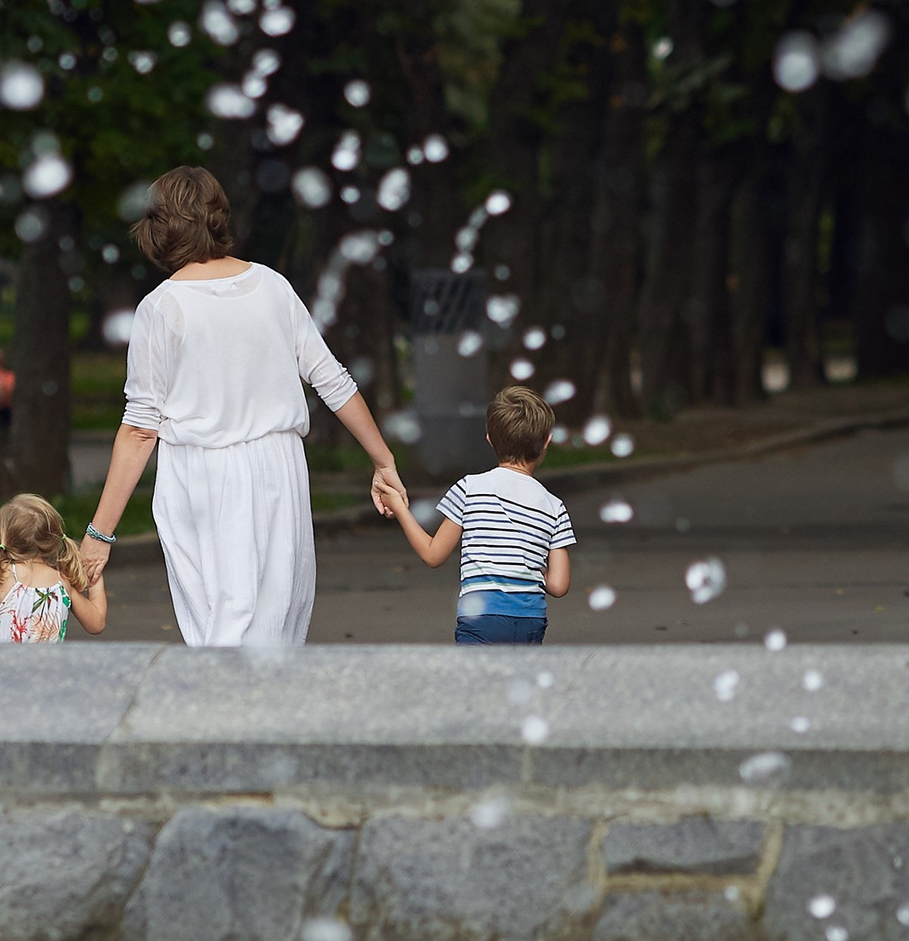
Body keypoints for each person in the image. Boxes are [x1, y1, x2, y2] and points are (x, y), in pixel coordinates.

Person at [76, 166, 403, 648]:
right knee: (276, 627)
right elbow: (332, 380)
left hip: (201, 476)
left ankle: (226, 696)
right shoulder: (272, 285)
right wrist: (383, 460)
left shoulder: (162, 307)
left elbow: (141, 428)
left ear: (160, 227)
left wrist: (99, 534)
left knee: (219, 629)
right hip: (280, 468)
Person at [382, 384, 575, 644]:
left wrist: (399, 508)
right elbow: (559, 585)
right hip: (530, 621)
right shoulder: (554, 505)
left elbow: (433, 554)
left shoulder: (470, 488)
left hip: (482, 619)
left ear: (490, 439)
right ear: (546, 442)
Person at [0, 492, 107, 643]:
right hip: (50, 663)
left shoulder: (3, 574)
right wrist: (95, 578)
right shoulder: (63, 582)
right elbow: (96, 623)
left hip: (5, 663)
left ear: (5, 537)